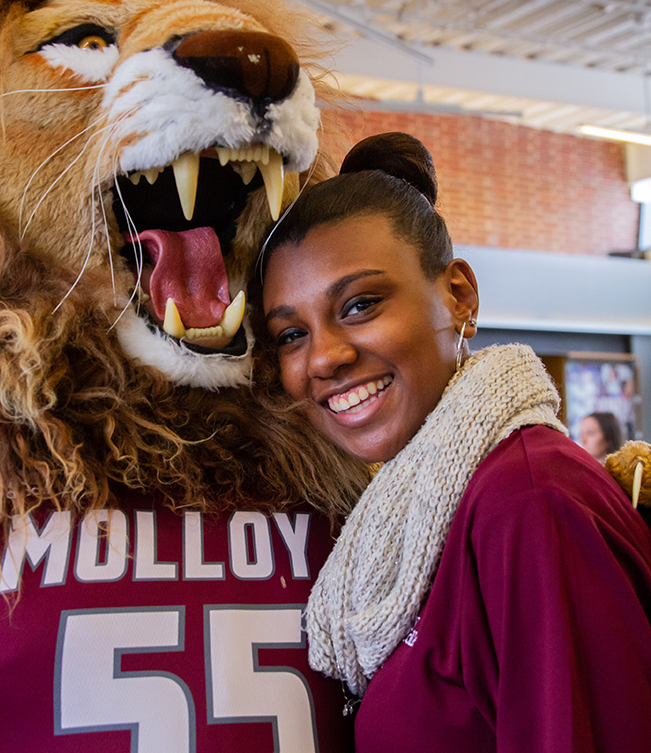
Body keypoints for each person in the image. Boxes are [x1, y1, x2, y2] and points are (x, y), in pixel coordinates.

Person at [258, 132, 651, 753]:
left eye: (360, 304)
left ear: (459, 295)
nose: (324, 358)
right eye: (290, 334)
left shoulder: (530, 503)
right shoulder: (415, 508)